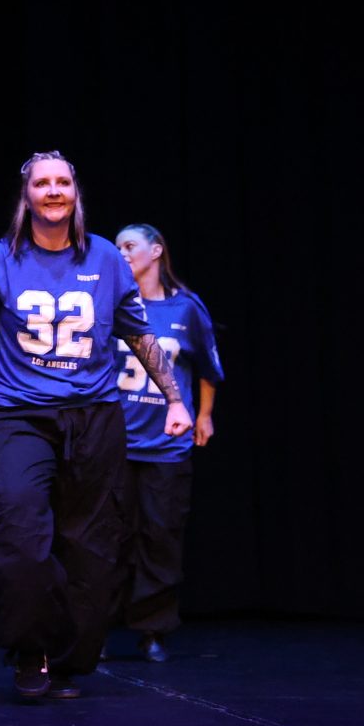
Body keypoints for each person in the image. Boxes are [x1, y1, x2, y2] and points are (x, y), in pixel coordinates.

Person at [0, 152, 190, 701]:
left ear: (76, 193)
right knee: (19, 534)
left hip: (93, 416)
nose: (54, 190)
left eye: (63, 182)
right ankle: (29, 650)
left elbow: (140, 335)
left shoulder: (108, 258)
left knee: (89, 547)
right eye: (42, 183)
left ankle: (68, 659)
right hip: (16, 415)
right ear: (27, 196)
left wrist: (175, 400)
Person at [112, 223, 223, 662]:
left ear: (156, 251)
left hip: (166, 444)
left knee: (159, 536)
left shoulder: (186, 308)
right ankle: (95, 629)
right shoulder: (111, 305)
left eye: (130, 245)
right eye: (116, 246)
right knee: (106, 537)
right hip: (114, 443)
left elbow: (208, 367)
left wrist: (205, 416)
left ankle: (152, 629)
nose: (122, 252)